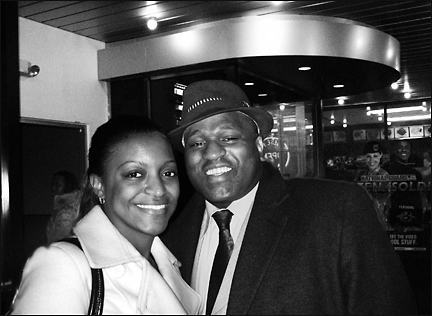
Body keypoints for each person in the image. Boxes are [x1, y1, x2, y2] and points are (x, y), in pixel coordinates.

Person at [160, 80, 416, 315]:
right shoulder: (167, 241)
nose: (212, 152)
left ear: (259, 145)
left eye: (228, 137)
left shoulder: (337, 212)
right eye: (196, 144)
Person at [10, 115, 201, 314]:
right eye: (134, 174)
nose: (159, 190)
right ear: (99, 186)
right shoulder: (63, 264)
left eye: (168, 173)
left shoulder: (172, 263)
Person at [385, 140, 424, 232]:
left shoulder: (416, 174)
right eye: (400, 147)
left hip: (413, 218)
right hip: (394, 219)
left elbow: (417, 198)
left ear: (410, 151)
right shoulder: (388, 171)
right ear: (395, 151)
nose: (404, 150)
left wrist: (419, 220)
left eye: (406, 148)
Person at [354, 141, 392, 230]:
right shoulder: (360, 175)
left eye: (375, 156)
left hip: (378, 222)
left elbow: (381, 203)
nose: (371, 161)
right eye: (368, 156)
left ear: (381, 155)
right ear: (364, 157)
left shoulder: (384, 176)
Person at [46, 170, 80, 245]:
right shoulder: (62, 208)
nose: (53, 188)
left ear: (68, 186)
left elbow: (61, 242)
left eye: (58, 185)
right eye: (52, 184)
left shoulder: (67, 213)